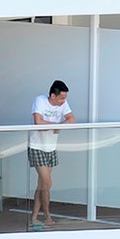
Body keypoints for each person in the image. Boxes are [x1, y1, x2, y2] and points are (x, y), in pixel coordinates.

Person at [29, 80, 74, 227]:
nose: (63, 101)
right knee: (47, 183)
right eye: (61, 98)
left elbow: (72, 119)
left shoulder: (63, 104)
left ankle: (35, 216)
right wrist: (55, 125)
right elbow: (38, 121)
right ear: (53, 96)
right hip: (37, 146)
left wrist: (59, 126)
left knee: (42, 184)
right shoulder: (40, 100)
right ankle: (47, 214)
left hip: (51, 147)